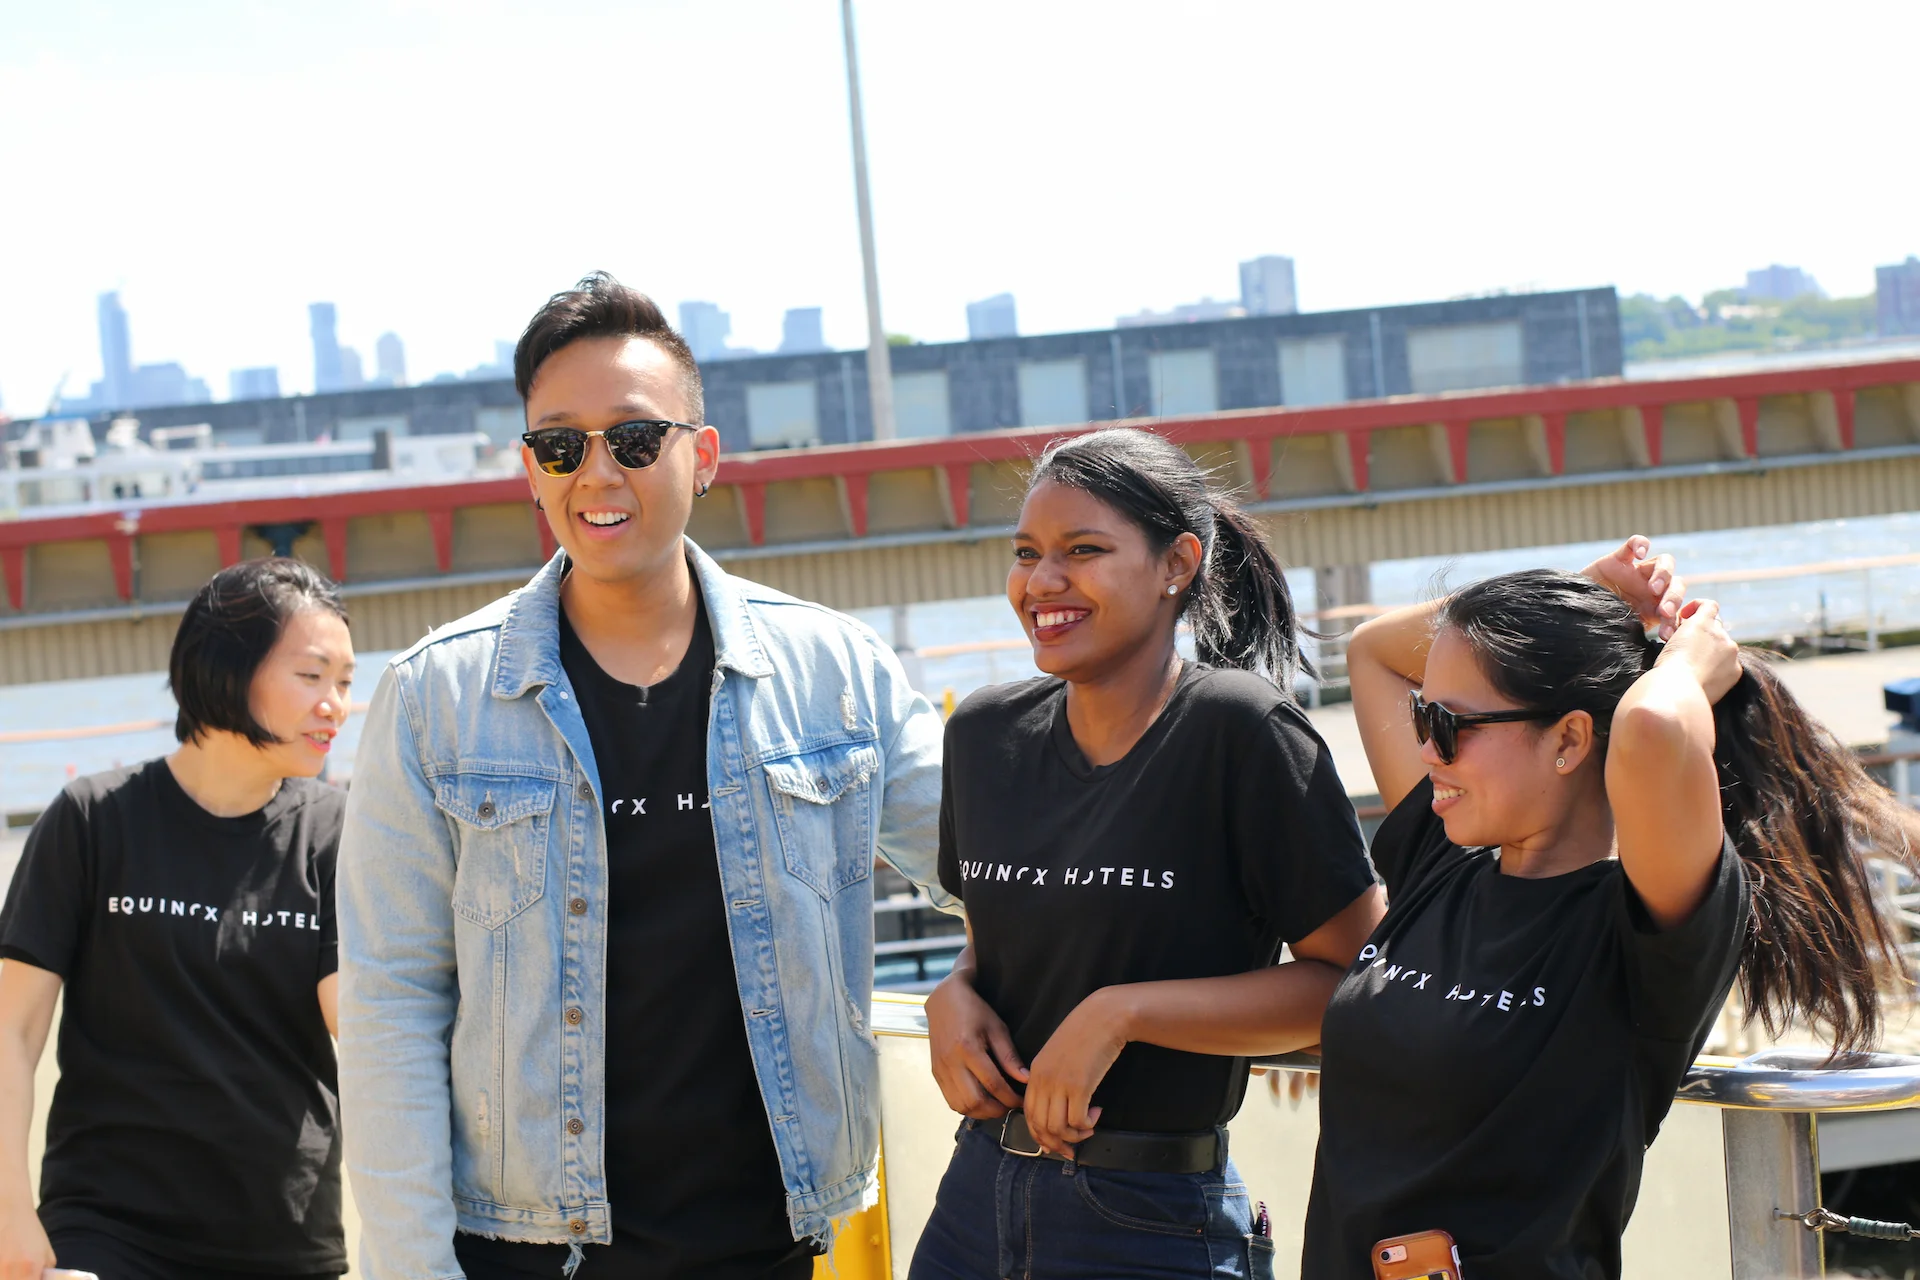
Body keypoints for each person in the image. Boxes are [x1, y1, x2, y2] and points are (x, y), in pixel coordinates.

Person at [337, 272, 951, 1279]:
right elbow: (392, 1000)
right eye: (559, 444)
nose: (595, 473)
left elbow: (989, 867)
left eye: (632, 438)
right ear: (529, 468)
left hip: (765, 1241)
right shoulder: (436, 697)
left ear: (701, 455)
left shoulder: (834, 673)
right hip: (526, 1251)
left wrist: (980, 981)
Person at [1302, 536, 1920, 1279]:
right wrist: (1586, 591)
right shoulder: (1441, 862)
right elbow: (1373, 652)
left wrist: (1689, 663)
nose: (1427, 749)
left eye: (1449, 727)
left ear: (1568, 739)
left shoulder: (1642, 931)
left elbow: (1652, 730)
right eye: (1421, 717)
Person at [912, 427, 1386, 1280]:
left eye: (1083, 550)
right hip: (971, 1206)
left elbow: (1356, 984)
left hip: (1151, 1220)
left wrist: (1120, 1014)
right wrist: (952, 991)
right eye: (1027, 553)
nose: (1042, 581)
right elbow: (1007, 937)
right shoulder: (984, 734)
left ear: (1178, 563)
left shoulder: (1241, 731)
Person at [0, 558, 356, 1280]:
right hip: (106, 1229)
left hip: (283, 1237)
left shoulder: (337, 832)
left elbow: (366, 1021)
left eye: (346, 683)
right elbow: (13, 1028)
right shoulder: (93, 820)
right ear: (226, 667)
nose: (336, 706)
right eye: (312, 676)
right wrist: (10, 1209)